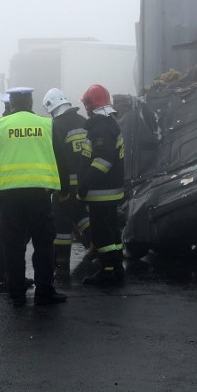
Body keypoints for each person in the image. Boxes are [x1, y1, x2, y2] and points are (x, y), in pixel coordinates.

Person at [0, 87, 71, 306]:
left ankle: (16, 292)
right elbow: (61, 158)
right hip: (39, 195)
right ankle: (45, 291)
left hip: (8, 197)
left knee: (12, 245)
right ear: (30, 102)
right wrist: (64, 188)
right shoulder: (47, 124)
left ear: (11, 104)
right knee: (44, 244)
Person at [42, 88, 94, 282]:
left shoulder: (55, 126)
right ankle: (94, 246)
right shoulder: (84, 122)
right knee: (81, 215)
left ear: (50, 107)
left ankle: (61, 267)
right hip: (85, 183)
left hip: (63, 185)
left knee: (61, 226)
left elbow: (53, 157)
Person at [77, 84, 126, 286]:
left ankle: (106, 271)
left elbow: (102, 161)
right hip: (111, 190)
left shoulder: (101, 128)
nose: (86, 111)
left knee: (102, 232)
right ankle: (116, 267)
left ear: (91, 105)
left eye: (87, 106)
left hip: (101, 191)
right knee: (113, 232)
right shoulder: (110, 124)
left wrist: (85, 184)